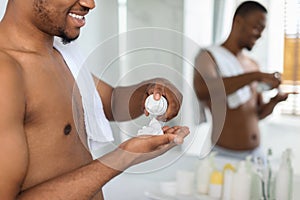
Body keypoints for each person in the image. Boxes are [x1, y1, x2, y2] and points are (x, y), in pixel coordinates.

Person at [0, 0, 190, 199]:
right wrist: (125, 156)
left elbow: (112, 102)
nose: (89, 3)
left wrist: (153, 90)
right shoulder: (6, 72)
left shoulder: (59, 53)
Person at [193, 1, 289, 161]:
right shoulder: (208, 57)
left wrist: (275, 102)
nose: (259, 35)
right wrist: (255, 76)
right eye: (257, 27)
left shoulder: (253, 65)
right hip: (224, 155)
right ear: (238, 22)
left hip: (256, 154)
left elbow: (257, 114)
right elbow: (204, 90)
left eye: (262, 30)